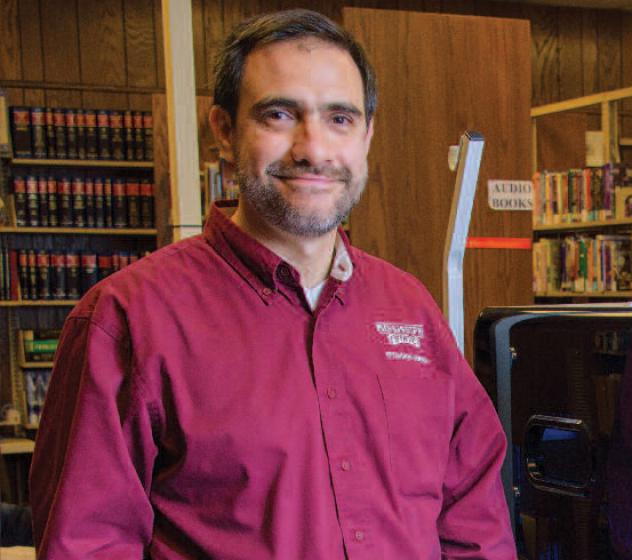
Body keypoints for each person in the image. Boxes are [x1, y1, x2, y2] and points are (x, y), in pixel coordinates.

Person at [29, 9, 514, 559]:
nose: (313, 149)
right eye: (280, 115)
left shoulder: (410, 308)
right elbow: (86, 543)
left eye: (340, 119)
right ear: (224, 132)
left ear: (367, 135)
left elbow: (475, 517)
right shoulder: (128, 318)